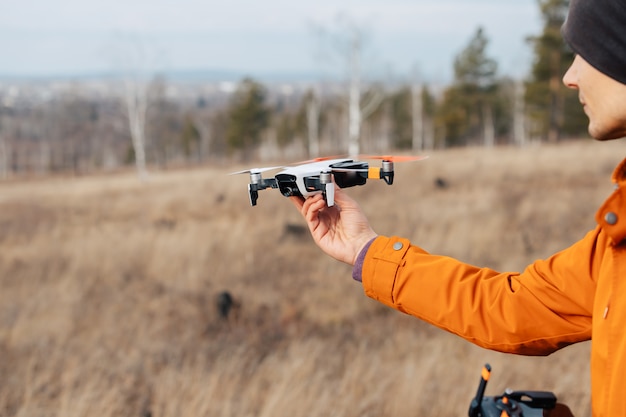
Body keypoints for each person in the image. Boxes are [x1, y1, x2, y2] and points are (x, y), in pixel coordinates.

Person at [289, 0, 626, 416]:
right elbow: (511, 307)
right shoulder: (615, 242)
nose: (569, 77)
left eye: (585, 52)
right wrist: (365, 248)